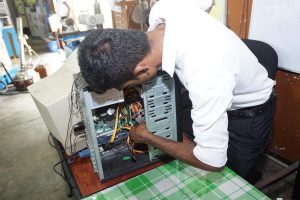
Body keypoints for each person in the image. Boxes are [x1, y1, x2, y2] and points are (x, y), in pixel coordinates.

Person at [78, 0, 276, 183]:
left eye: (128, 85)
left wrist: (147, 136)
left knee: (233, 181)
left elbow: (212, 161)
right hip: (219, 90)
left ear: (142, 70)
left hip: (249, 115)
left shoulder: (205, 72)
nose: (131, 89)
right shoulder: (164, 8)